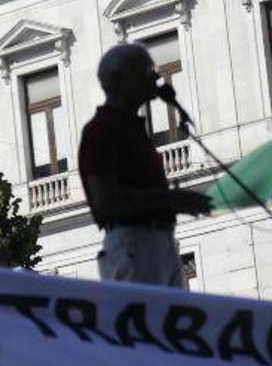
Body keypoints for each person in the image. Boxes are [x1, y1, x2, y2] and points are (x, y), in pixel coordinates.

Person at [79, 43, 212, 287]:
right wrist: (168, 199)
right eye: (145, 69)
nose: (156, 76)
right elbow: (105, 201)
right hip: (134, 247)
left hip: (156, 243)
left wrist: (170, 202)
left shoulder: (132, 129)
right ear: (119, 80)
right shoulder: (100, 131)